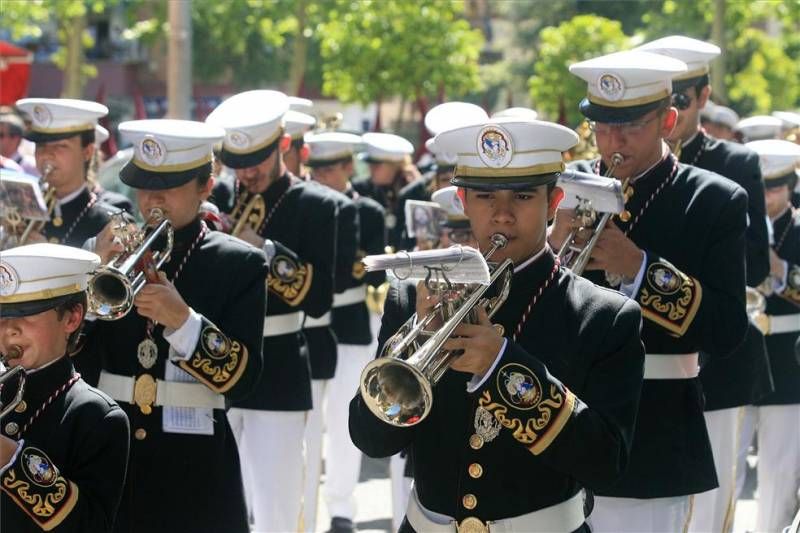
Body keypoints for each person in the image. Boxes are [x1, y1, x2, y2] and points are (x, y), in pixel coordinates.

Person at [350, 117, 646, 532]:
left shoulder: (602, 315)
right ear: (462, 200)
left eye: (523, 196)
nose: (503, 215)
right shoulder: (412, 299)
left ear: (554, 200)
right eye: (485, 196)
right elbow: (372, 440)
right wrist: (415, 338)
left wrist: (502, 366)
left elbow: (606, 463)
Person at [553, 50, 749, 531]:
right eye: (601, 127)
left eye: (630, 128)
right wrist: (550, 253)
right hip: (558, 425)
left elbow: (726, 330)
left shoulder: (715, 200)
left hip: (654, 433)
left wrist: (639, 269)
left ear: (668, 120)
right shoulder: (564, 190)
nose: (611, 143)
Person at [83, 118, 267, 533]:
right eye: (144, 186)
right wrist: (91, 282)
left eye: (167, 187)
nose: (152, 200)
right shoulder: (111, 248)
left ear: (206, 186)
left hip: (195, 462)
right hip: (115, 448)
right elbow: (74, 356)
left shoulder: (239, 264)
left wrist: (185, 323)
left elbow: (244, 379)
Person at [637, 35, 774, 533]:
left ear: (702, 97)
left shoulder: (735, 165)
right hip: (631, 372)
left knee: (708, 513)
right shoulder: (614, 170)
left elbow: (754, 262)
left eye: (678, 100)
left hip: (712, 365)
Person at [205, 89, 338, 532]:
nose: (246, 172)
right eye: (237, 162)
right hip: (214, 365)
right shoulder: (218, 197)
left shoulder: (316, 204)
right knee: (216, 503)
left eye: (257, 160)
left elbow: (319, 300)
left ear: (283, 145)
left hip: (279, 366)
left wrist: (262, 249)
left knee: (278, 506)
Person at [0, 243, 130, 532]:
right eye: (2, 314)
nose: (9, 328)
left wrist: (9, 457)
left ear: (72, 317)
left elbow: (89, 526)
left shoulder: (96, 416)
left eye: (27, 313)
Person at [741, 139, 800, 533]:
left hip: (788, 360)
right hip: (744, 357)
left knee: (780, 470)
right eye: (761, 188)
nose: (767, 196)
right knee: (729, 461)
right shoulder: (739, 227)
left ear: (790, 185)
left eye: (775, 187)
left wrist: (780, 270)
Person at [14, 98, 121, 247]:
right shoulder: (24, 214)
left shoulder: (107, 223)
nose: (47, 155)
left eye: (60, 146)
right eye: (41, 145)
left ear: (87, 152)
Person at [351, 132, 415, 251]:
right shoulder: (360, 189)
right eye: (370, 164)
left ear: (395, 165)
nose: (371, 169)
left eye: (377, 165)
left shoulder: (413, 191)